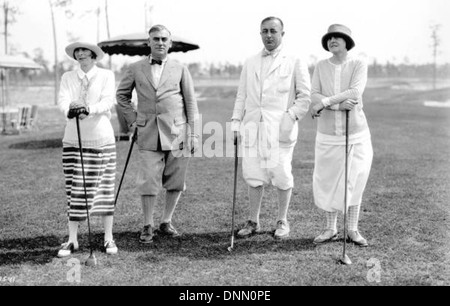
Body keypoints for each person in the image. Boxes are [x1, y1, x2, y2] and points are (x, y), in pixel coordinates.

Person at [116, 25, 199, 244]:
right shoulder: (135, 68)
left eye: (164, 39)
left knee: (176, 180)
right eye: (156, 39)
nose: (160, 42)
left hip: (177, 132)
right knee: (148, 181)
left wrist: (194, 134)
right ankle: (147, 225)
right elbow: (122, 96)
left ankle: (166, 221)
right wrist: (133, 121)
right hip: (148, 133)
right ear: (149, 42)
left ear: (170, 43)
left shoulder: (181, 68)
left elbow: (190, 102)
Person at [231, 17, 311, 239]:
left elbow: (305, 97)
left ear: (282, 34)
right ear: (260, 34)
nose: (268, 35)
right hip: (252, 128)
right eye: (264, 31)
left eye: (273, 31)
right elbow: (242, 95)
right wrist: (236, 122)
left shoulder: (294, 60)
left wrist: (290, 116)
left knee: (282, 174)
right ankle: (253, 221)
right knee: (253, 174)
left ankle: (282, 220)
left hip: (280, 130)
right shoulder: (251, 61)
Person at [310, 24, 373, 247]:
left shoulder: (358, 64)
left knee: (355, 181)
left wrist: (324, 103)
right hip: (327, 135)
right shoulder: (320, 65)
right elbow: (313, 94)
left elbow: (355, 93)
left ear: (347, 42)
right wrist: (336, 107)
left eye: (338, 37)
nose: (332, 40)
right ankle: (330, 228)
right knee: (328, 182)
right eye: (329, 38)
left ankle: (353, 230)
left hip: (356, 134)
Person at [57, 42, 118, 257]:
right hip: (74, 139)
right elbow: (63, 100)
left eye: (85, 51)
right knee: (74, 190)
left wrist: (88, 109)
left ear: (94, 56)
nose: (81, 54)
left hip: (101, 138)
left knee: (104, 189)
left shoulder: (106, 75)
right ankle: (72, 240)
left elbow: (108, 101)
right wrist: (71, 110)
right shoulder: (68, 77)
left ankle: (108, 237)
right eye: (77, 52)